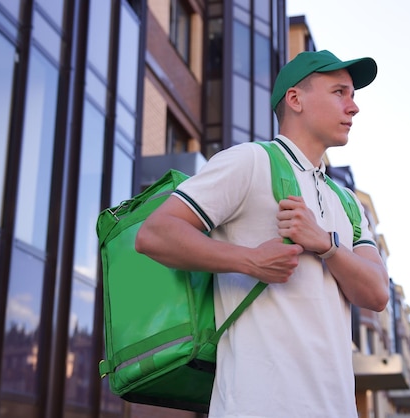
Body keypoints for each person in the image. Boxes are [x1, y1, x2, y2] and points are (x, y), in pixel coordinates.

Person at [135, 50, 390, 418]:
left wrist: (327, 245)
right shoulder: (250, 161)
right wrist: (250, 260)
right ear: (295, 99)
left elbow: (378, 293)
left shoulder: (347, 202)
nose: (353, 108)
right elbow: (156, 234)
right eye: (340, 92)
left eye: (353, 96)